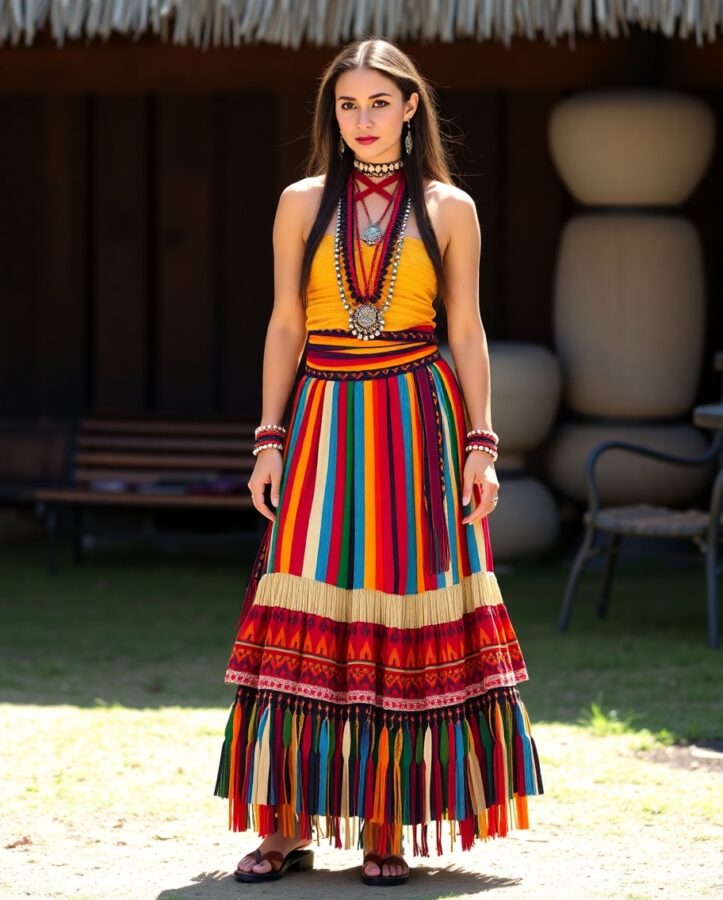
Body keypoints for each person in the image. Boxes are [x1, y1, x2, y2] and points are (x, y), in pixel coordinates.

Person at [214, 37, 543, 887]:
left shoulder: (449, 206)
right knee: (301, 604)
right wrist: (267, 436)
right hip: (323, 414)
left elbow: (464, 330)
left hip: (414, 418)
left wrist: (482, 442)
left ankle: (385, 825)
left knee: (400, 611)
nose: (361, 120)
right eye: (346, 104)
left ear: (409, 107)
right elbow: (286, 324)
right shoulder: (298, 201)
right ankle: (283, 826)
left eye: (377, 102)